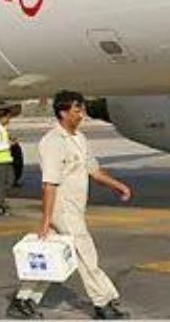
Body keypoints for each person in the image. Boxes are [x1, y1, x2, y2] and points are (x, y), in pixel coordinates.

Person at [7, 90, 132, 320]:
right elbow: (49, 185)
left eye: (82, 109)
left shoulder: (79, 139)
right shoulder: (52, 142)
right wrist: (45, 221)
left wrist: (117, 185)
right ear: (63, 113)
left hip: (74, 208)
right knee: (85, 253)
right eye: (77, 110)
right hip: (62, 209)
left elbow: (93, 170)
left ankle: (23, 300)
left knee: (51, 255)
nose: (81, 114)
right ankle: (103, 302)